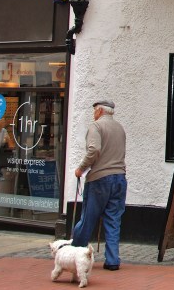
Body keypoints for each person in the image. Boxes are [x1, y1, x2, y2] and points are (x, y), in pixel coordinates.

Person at [71, 100, 127, 271]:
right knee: (113, 220)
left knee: (88, 218)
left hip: (100, 179)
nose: (93, 113)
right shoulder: (120, 128)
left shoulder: (96, 127)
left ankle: (76, 255)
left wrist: (81, 169)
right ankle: (112, 260)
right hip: (119, 177)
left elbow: (94, 150)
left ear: (101, 110)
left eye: (95, 110)